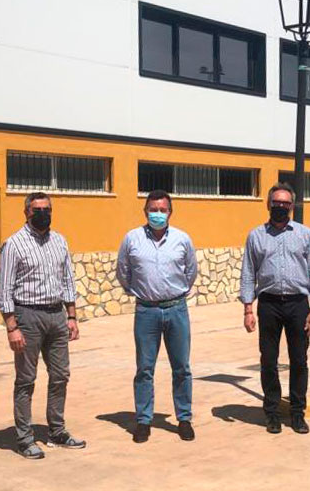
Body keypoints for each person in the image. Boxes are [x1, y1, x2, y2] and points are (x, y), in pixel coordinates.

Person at [0, 192, 86, 459]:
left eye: (47, 209)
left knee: (60, 375)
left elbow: (67, 280)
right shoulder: (14, 244)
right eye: (37, 209)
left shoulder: (59, 241)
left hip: (57, 316)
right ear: (26, 212)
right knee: (26, 379)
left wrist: (71, 316)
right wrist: (12, 327)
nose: (42, 213)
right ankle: (25, 438)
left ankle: (57, 430)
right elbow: (4, 289)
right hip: (27, 317)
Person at [239, 183, 310, 435]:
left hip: (298, 304)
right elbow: (248, 274)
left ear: (292, 206)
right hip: (269, 305)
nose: (280, 207)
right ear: (268, 204)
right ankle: (273, 413)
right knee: (268, 360)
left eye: (285, 204)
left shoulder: (304, 234)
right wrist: (247, 308)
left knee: (299, 360)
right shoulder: (256, 236)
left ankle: (297, 413)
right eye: (276, 203)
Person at [117, 189, 198, 443]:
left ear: (170, 212)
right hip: (146, 311)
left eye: (163, 210)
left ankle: (183, 418)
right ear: (145, 211)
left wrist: (177, 292)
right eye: (153, 209)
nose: (158, 214)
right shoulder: (132, 239)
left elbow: (191, 272)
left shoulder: (182, 239)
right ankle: (143, 420)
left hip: (176, 309)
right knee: (144, 368)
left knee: (182, 367)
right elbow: (123, 271)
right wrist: (139, 292)